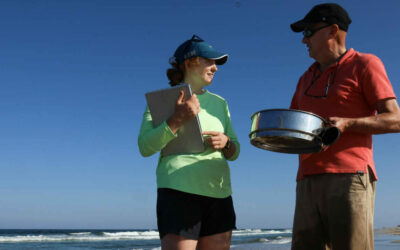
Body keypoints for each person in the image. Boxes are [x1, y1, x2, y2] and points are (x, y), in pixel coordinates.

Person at [289, 3, 400, 250]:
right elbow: (293, 127)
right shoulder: (304, 78)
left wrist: (349, 123)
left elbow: (396, 119)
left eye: (308, 32)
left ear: (332, 30)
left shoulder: (365, 63)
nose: (303, 40)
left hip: (350, 178)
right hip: (306, 180)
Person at [138, 35, 240, 250]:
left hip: (219, 194)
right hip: (178, 192)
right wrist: (176, 119)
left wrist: (227, 143)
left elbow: (235, 150)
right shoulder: (163, 101)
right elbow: (145, 147)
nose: (215, 68)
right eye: (210, 61)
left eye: (216, 63)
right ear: (190, 62)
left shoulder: (221, 103)